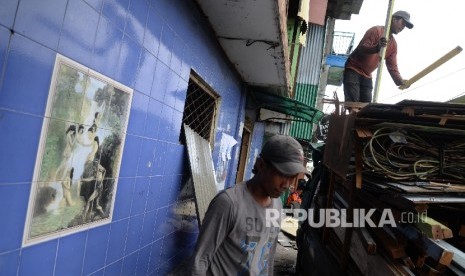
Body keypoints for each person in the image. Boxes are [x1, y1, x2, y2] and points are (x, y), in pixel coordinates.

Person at [191, 134, 308, 275]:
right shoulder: (228, 203)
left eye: (292, 176)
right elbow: (200, 260)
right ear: (261, 165)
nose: (287, 184)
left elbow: (268, 256)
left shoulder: (277, 205)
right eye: (282, 174)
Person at [343, 10, 414, 103]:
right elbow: (362, 48)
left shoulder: (393, 45)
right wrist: (377, 47)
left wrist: (400, 81)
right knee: (353, 105)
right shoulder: (376, 31)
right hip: (353, 69)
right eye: (403, 23)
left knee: (366, 108)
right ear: (394, 19)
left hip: (367, 75)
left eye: (405, 26)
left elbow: (392, 66)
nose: (403, 27)